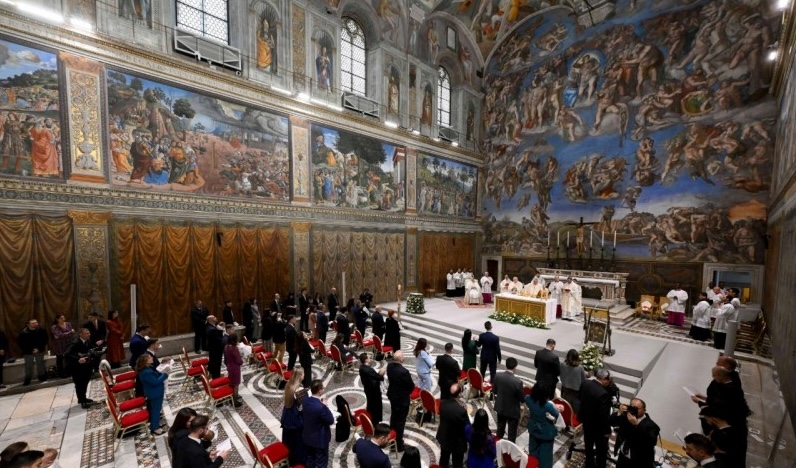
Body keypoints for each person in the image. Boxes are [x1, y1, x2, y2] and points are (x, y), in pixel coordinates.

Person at [609, 398, 660, 468]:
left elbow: (651, 442)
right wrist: (619, 412)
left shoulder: (651, 425)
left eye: (637, 409)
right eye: (632, 408)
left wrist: (637, 425)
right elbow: (611, 422)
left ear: (644, 410)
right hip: (622, 456)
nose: (633, 411)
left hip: (638, 461)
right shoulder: (626, 416)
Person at [578, 369, 613, 468]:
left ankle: (589, 464)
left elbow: (580, 398)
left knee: (588, 446)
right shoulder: (603, 393)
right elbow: (603, 415)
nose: (609, 382)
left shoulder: (585, 383)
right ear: (603, 379)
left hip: (586, 421)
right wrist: (607, 430)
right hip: (598, 427)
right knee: (601, 450)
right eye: (608, 380)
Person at [525, 382, 560, 468]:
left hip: (533, 428)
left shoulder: (528, 399)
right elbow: (556, 415)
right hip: (546, 432)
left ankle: (533, 465)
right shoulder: (548, 406)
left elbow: (526, 397)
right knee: (545, 456)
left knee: (533, 451)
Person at [303, 379, 335, 468]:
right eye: (323, 388)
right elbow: (330, 420)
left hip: (308, 437)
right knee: (321, 463)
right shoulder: (321, 407)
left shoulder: (305, 400)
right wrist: (324, 405)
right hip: (319, 440)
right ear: (320, 390)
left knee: (310, 459)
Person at [493, 357, 525, 443]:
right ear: (515, 367)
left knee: (500, 430)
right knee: (512, 434)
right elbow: (522, 399)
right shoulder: (518, 382)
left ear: (506, 365)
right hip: (512, 410)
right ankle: (510, 450)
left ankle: (498, 446)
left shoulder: (498, 376)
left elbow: (494, 391)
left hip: (501, 406)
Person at [387, 351, 414, 451]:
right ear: (400, 359)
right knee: (400, 421)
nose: (404, 357)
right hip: (402, 399)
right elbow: (411, 386)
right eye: (403, 356)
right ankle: (399, 444)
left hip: (392, 396)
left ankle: (392, 438)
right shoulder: (404, 372)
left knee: (394, 417)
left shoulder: (389, 366)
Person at [437, 383, 469, 467]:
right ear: (459, 394)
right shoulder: (461, 411)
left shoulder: (442, 404)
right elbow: (466, 425)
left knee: (444, 459)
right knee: (457, 463)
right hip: (457, 441)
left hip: (445, 436)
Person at [136, 353, 169, 434]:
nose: (152, 358)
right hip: (155, 393)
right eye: (150, 357)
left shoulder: (147, 369)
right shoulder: (146, 372)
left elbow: (155, 377)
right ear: (145, 361)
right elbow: (155, 382)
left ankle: (155, 424)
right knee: (156, 410)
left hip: (154, 392)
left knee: (156, 409)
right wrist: (165, 374)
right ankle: (155, 428)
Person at [281, 367, 307, 466]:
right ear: (300, 376)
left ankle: (289, 457)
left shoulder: (288, 385)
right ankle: (298, 461)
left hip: (287, 415)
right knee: (298, 442)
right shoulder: (299, 390)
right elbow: (302, 407)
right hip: (296, 419)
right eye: (303, 373)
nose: (304, 375)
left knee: (289, 440)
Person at [66, 328, 96, 409]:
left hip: (86, 367)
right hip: (77, 368)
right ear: (81, 334)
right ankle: (82, 401)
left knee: (85, 383)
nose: (89, 335)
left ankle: (83, 398)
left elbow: (91, 350)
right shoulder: (75, 343)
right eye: (86, 333)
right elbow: (67, 354)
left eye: (89, 333)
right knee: (79, 384)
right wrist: (77, 359)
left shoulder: (88, 341)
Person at [18, 319, 48, 386]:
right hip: (28, 351)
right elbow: (22, 343)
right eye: (33, 323)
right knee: (28, 365)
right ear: (28, 325)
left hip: (39, 350)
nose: (35, 324)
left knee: (40, 363)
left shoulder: (41, 330)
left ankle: (42, 376)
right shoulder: (24, 333)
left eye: (36, 322)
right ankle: (28, 378)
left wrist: (38, 348)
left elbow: (44, 340)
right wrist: (31, 349)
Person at [359, 353, 385, 422]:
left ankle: (371, 419)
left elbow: (373, 376)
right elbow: (378, 377)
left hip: (368, 389)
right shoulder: (368, 370)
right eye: (369, 358)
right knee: (375, 406)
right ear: (366, 360)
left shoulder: (362, 367)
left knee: (370, 405)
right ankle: (374, 421)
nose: (371, 359)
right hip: (373, 391)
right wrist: (381, 373)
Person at [224, 333, 243, 407]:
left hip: (229, 366)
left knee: (231, 383)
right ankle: (235, 402)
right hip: (235, 367)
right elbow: (238, 360)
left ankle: (231, 398)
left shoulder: (226, 347)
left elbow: (225, 359)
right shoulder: (234, 348)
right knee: (236, 384)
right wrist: (241, 361)